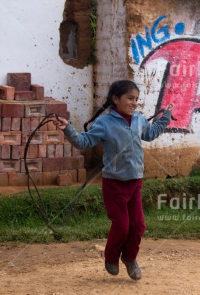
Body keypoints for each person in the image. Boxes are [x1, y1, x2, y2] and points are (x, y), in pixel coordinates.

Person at [53, 80, 173, 280]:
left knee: (138, 225)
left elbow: (150, 134)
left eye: (136, 99)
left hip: (135, 181)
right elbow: (84, 141)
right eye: (130, 98)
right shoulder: (104, 123)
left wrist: (165, 116)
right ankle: (111, 257)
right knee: (122, 225)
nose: (134, 103)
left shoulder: (138, 119)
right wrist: (68, 129)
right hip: (114, 184)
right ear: (115, 99)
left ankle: (130, 258)